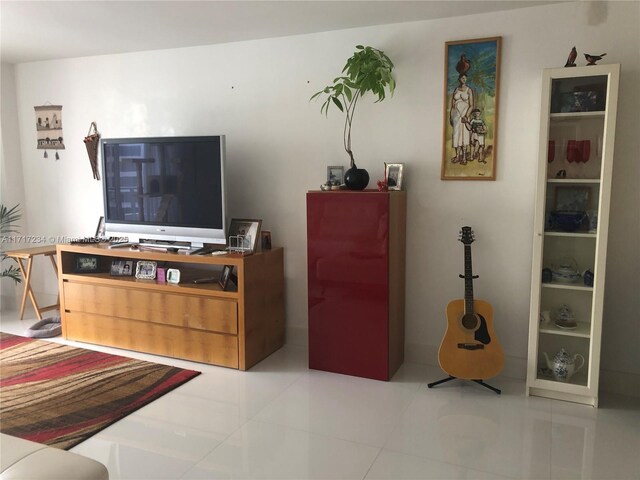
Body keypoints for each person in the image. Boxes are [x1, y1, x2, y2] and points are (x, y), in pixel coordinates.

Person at [449, 73, 474, 165]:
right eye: (462, 78)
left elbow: (471, 105)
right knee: (456, 135)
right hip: (456, 115)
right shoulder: (456, 89)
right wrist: (451, 116)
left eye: (465, 78)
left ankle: (464, 157)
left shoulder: (469, 90)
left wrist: (466, 116)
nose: (464, 79)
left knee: (464, 135)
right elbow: (452, 105)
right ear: (459, 79)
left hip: (464, 115)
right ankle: (457, 156)